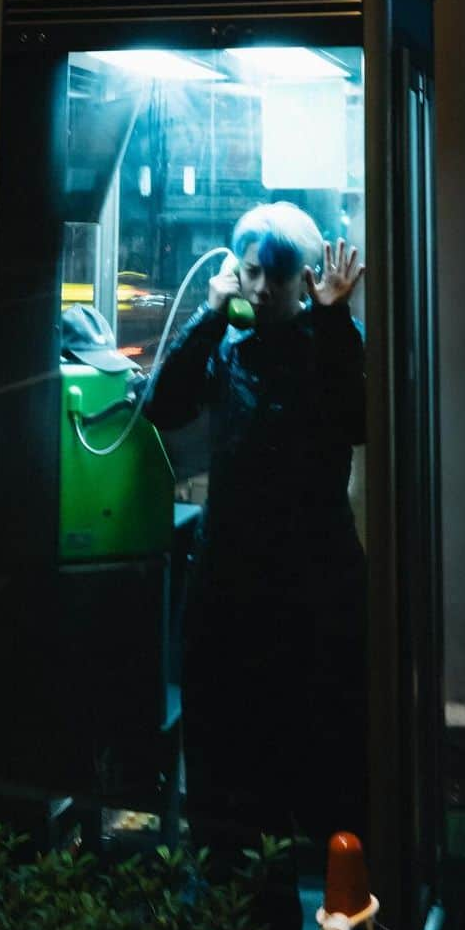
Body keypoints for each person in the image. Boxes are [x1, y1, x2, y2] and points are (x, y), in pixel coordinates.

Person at [143, 201, 368, 878]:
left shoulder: (330, 341)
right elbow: (163, 405)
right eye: (252, 274)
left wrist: (331, 317)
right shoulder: (229, 351)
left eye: (279, 275)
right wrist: (211, 314)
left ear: (304, 278)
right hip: (231, 586)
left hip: (312, 589)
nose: (264, 290)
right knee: (232, 784)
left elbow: (354, 420)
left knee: (325, 779)